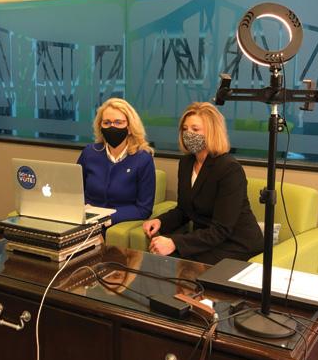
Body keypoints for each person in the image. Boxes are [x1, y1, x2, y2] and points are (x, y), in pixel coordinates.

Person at [142, 102, 263, 264]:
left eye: (195, 129)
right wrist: (160, 221)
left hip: (236, 243)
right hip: (206, 239)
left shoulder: (229, 169)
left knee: (170, 259)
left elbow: (221, 229)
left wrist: (175, 242)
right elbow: (184, 210)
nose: (188, 134)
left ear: (212, 132)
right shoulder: (186, 163)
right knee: (156, 252)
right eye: (185, 129)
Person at [77, 98, 155, 226]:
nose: (112, 127)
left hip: (113, 223)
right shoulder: (89, 152)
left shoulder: (143, 159)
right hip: (84, 221)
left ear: (130, 127)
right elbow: (75, 192)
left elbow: (144, 209)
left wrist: (106, 217)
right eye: (107, 123)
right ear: (100, 126)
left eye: (118, 122)